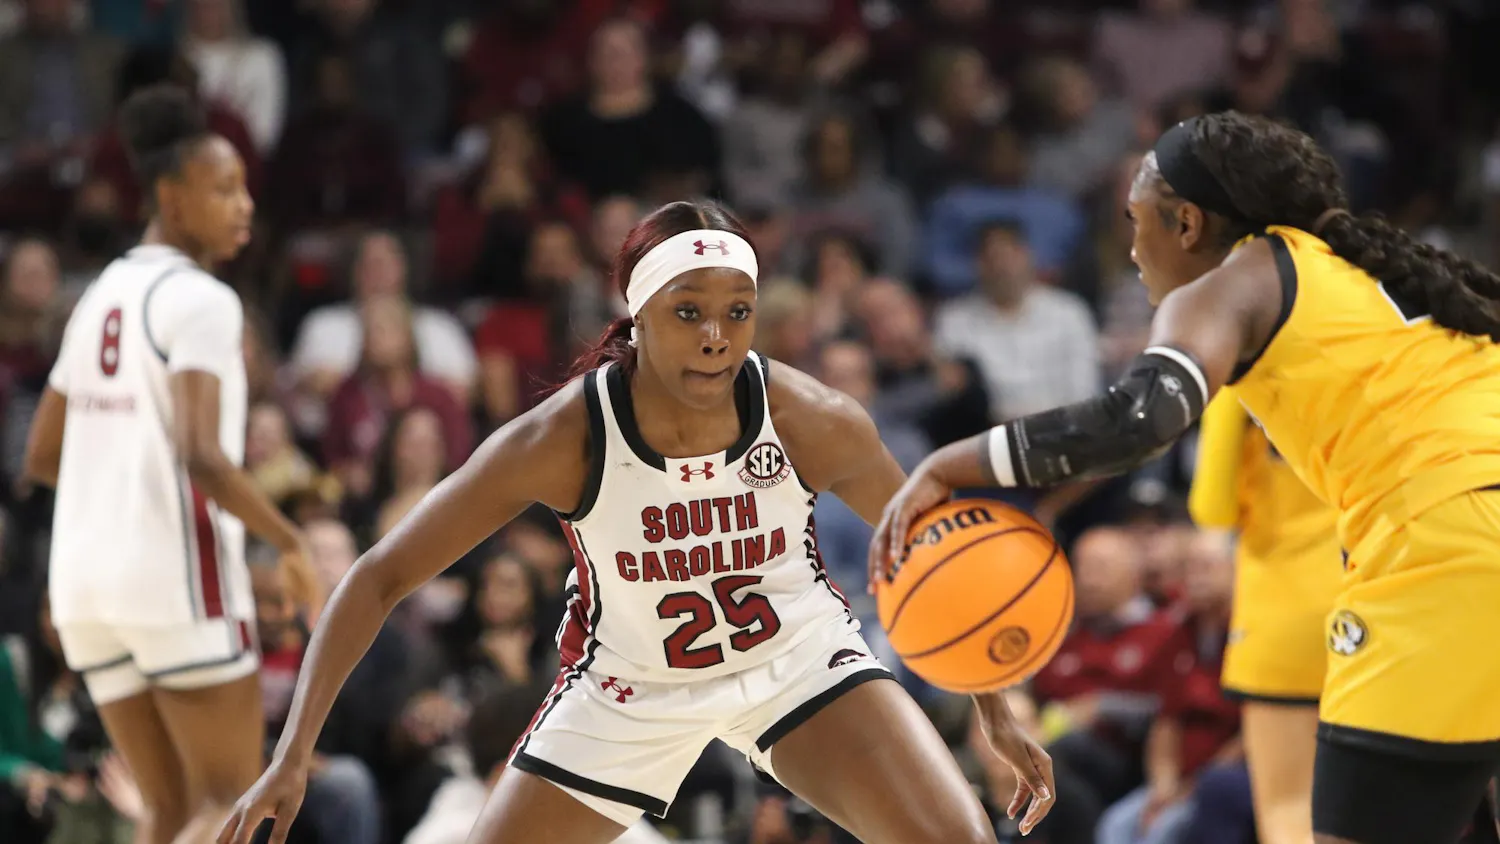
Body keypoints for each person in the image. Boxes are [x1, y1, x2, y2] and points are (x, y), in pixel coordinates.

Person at [218, 200, 1056, 844]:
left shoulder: (813, 418)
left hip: (795, 661)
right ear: (638, 312)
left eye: (738, 312)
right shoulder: (563, 438)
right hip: (629, 690)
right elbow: (378, 577)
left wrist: (993, 706)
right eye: (689, 312)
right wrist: (290, 757)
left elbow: (934, 558)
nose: (717, 337)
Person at [874, 111, 1500, 844]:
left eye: (1135, 220)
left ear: (1187, 223)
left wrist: (949, 462)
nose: (1131, 249)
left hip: (1446, 547)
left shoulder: (1238, 281)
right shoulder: (1355, 275)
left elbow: (1136, 420)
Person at [21, 84, 310, 844]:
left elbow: (42, 455)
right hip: (173, 579)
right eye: (224, 189)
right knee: (230, 804)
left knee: (170, 811)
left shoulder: (98, 295)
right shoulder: (203, 299)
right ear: (171, 198)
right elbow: (201, 454)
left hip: (84, 587)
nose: (245, 204)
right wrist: (290, 542)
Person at [1189, 388, 1341, 844]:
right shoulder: (1380, 358)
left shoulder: (1242, 377)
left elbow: (1213, 508)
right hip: (1373, 593)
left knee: (1288, 808)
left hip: (1282, 609)